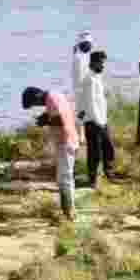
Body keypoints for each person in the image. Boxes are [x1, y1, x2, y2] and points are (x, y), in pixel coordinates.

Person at [22, 86, 78, 220]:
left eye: (35, 104)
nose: (38, 106)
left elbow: (61, 118)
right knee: (63, 178)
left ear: (37, 96)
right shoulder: (54, 96)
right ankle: (67, 210)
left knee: (65, 179)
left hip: (66, 142)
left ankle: (69, 212)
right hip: (66, 141)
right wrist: (46, 116)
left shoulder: (52, 99)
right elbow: (60, 113)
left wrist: (45, 121)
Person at [78, 51, 115, 188]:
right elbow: (89, 102)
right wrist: (98, 121)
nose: (103, 66)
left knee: (108, 148)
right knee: (95, 152)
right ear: (94, 63)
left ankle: (108, 173)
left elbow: (99, 99)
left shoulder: (97, 77)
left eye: (104, 63)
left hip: (101, 120)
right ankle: (92, 179)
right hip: (94, 121)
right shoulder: (89, 79)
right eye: (101, 63)